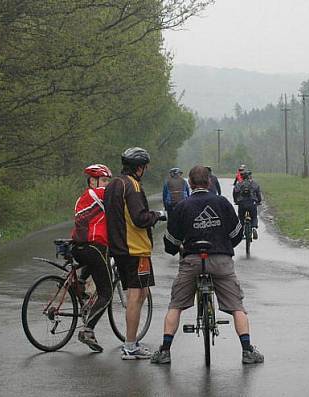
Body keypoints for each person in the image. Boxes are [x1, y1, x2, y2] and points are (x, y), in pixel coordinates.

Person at [151, 165, 264, 365]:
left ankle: (165, 351)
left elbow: (170, 243)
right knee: (237, 306)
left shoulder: (182, 207)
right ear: (209, 182)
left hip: (192, 260)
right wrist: (225, 246)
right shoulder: (222, 203)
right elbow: (237, 234)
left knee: (175, 305)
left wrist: (178, 247)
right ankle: (247, 350)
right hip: (221, 260)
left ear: (191, 184)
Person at [104, 147, 165, 359]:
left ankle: (131, 342)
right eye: (145, 167)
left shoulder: (113, 184)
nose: (145, 170)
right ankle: (130, 346)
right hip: (135, 248)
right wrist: (157, 215)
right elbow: (140, 218)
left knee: (142, 291)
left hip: (119, 247)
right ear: (139, 167)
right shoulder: (133, 186)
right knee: (136, 295)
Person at [71, 164, 113, 352]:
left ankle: (79, 283)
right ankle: (88, 330)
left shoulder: (83, 197)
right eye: (103, 180)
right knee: (107, 293)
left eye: (107, 181)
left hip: (78, 247)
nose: (106, 184)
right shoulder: (100, 194)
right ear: (92, 181)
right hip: (95, 247)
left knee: (93, 267)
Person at [232, 170, 262, 240]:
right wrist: (258, 201)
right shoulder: (254, 184)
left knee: (241, 217)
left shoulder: (239, 184)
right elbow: (258, 194)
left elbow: (235, 193)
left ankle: (241, 232)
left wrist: (236, 201)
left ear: (242, 177)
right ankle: (254, 227)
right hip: (252, 202)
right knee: (254, 216)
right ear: (249, 176)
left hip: (242, 203)